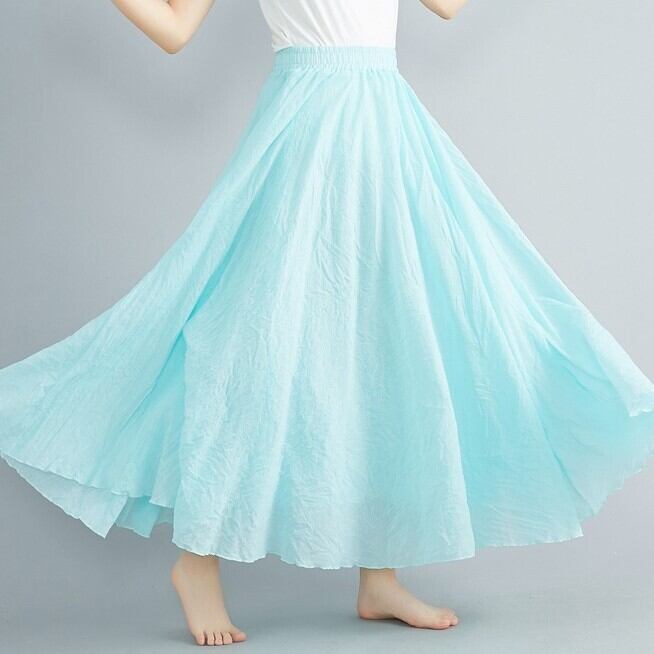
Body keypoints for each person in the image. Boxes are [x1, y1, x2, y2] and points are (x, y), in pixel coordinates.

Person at [2, 0, 653, 647]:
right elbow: (175, 29)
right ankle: (197, 560)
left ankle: (380, 574)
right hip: (306, 134)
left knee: (390, 343)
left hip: (383, 129)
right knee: (256, 344)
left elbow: (448, 8)